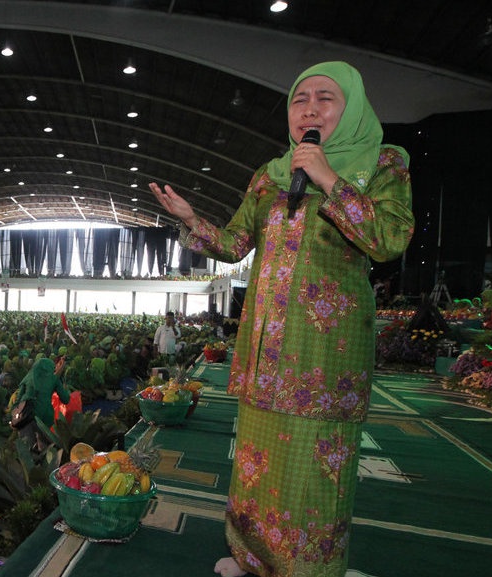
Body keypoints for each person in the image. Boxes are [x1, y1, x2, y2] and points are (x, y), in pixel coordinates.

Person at [151, 61, 413, 577]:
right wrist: (189, 219)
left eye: (325, 98)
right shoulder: (269, 177)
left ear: (352, 107)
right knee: (256, 463)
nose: (309, 109)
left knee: (313, 475)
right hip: (263, 348)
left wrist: (328, 179)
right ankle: (252, 557)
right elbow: (233, 245)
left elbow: (390, 239)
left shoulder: (383, 165)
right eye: (300, 99)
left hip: (325, 353)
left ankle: (311, 569)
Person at [13, 357, 70, 451]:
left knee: (27, 446)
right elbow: (66, 399)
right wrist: (64, 388)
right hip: (44, 415)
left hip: (25, 414)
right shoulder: (53, 379)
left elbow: (18, 401)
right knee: (44, 445)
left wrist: (13, 418)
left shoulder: (28, 377)